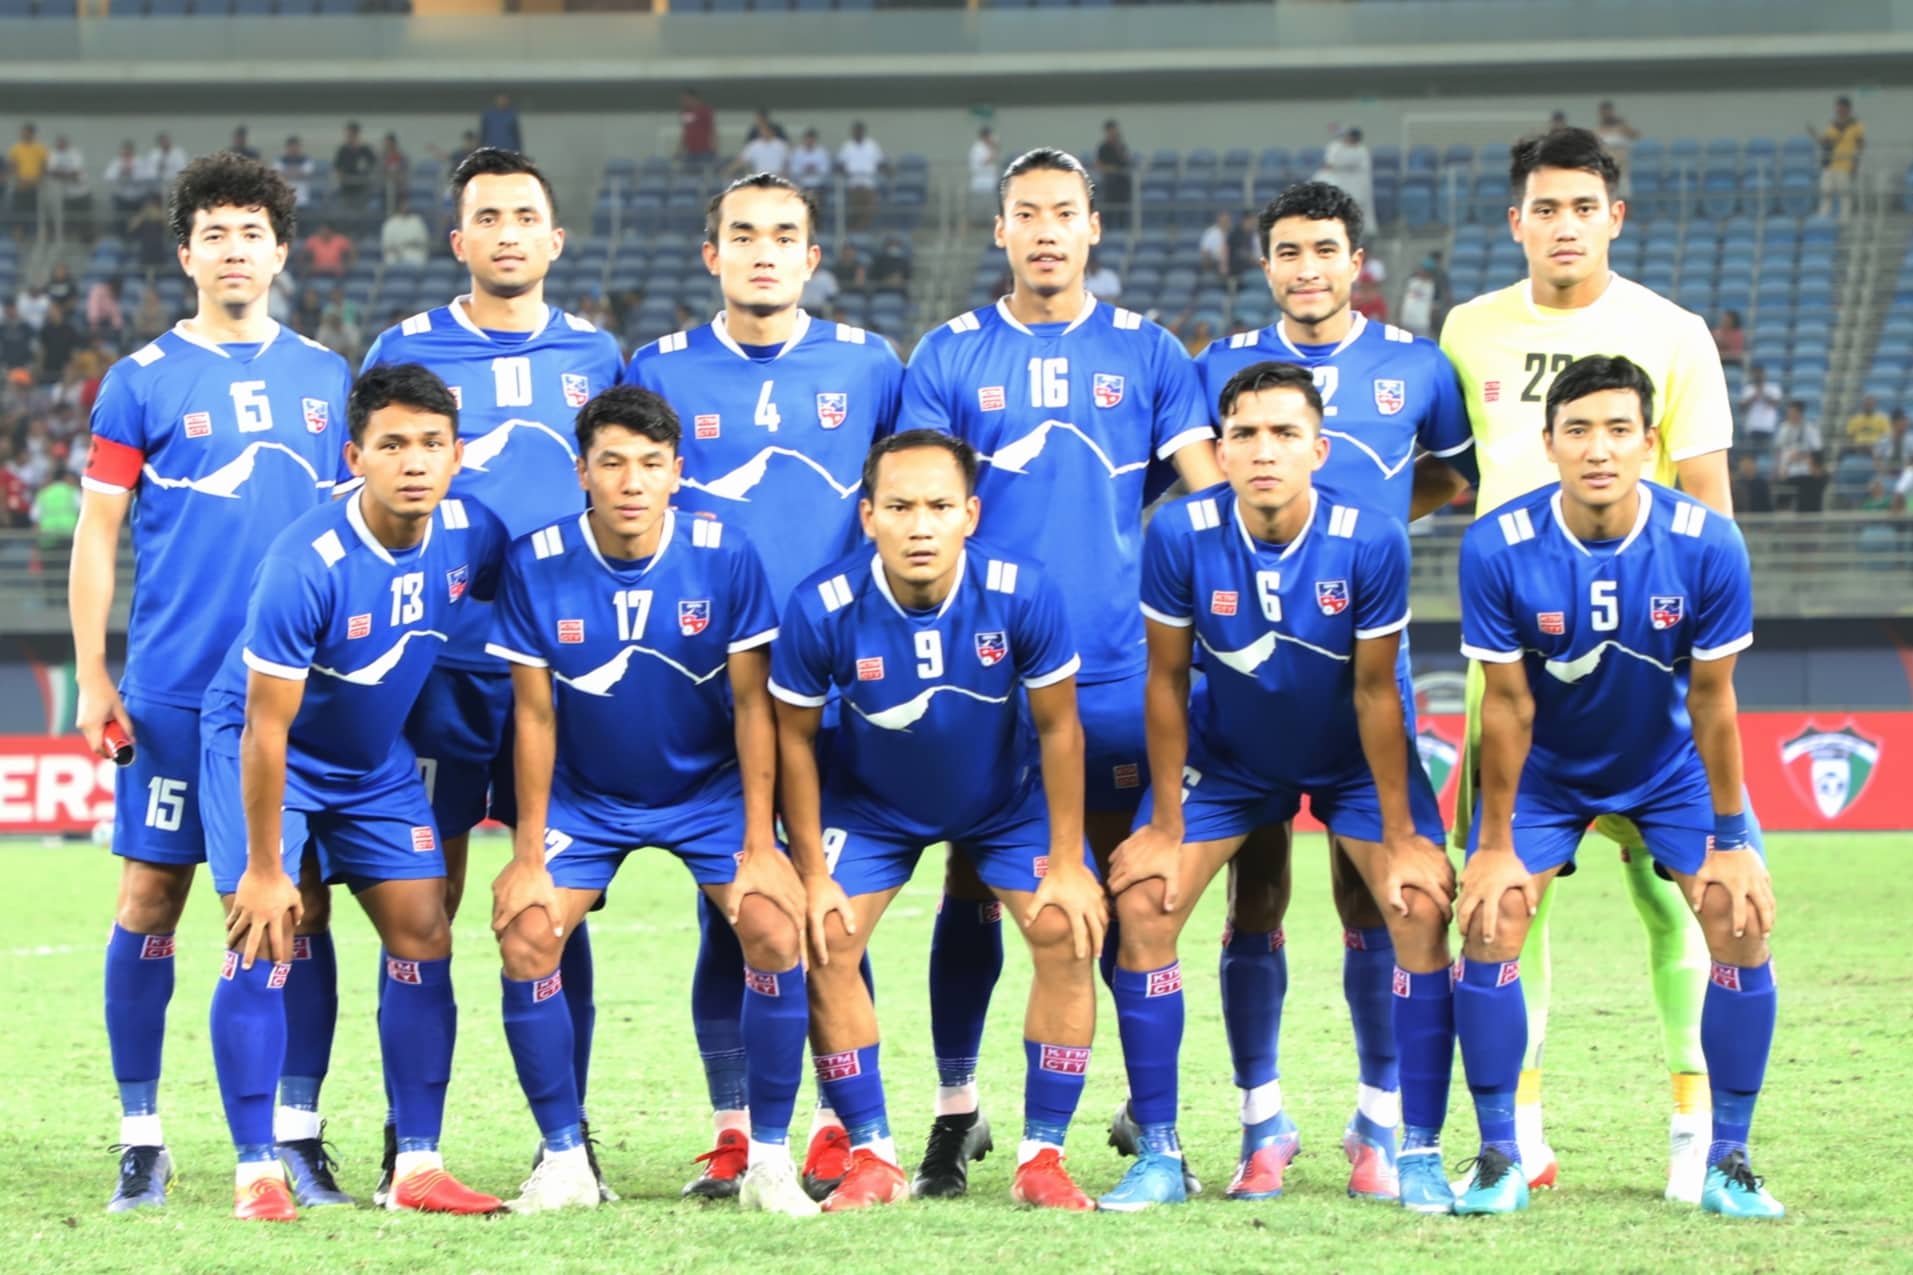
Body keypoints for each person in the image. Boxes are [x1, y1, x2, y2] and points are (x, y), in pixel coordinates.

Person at [900, 147, 1221, 1198]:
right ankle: (957, 1110)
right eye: (1026, 213)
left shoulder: (1149, 351)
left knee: (1128, 892)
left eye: (1063, 212)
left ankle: (1147, 1113)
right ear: (1000, 231)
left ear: (1093, 227)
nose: (1045, 230)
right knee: (972, 882)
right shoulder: (949, 354)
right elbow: (916, 505)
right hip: (983, 680)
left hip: (1116, 674)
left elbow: (1208, 500)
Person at [1438, 127, 1743, 1203]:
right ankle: (1517, 1135)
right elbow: (1449, 472)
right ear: (1514, 221)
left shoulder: (1671, 333)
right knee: (1507, 901)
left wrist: (1702, 653)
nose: (1562, 225)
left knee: (1676, 903)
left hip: (1646, 670)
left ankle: (1694, 1127)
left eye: (1582, 207)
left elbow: (1707, 502)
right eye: (1544, 208)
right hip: (1514, 668)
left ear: (1614, 217)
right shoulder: (1468, 329)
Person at [1096, 361, 1456, 1213]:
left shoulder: (1371, 537)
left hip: (1350, 756)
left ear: (1318, 449)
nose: (1264, 450)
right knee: (1145, 902)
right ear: (1219, 451)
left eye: (1285, 433)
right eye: (1244, 434)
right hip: (1230, 755)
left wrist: (1402, 834)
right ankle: (1202, 1139)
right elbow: (1165, 680)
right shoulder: (1178, 531)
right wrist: (1164, 823)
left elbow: (1376, 691)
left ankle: (1398, 1137)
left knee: (1414, 905)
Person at [69, 153, 351, 1214]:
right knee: (150, 898)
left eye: (252, 232)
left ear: (281, 252)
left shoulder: (327, 376)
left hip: (296, 696)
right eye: (215, 234)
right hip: (176, 692)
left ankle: (298, 1132)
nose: (235, 250)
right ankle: (142, 1137)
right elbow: (99, 532)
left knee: (296, 907)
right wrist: (94, 672)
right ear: (186, 255)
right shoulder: (139, 378)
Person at [1189, 180, 1474, 1203]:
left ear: (1357, 260)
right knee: (1254, 887)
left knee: (1373, 895)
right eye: (1286, 251)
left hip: (1362, 674)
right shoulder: (1217, 367)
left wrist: (1371, 529)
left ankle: (1376, 1119)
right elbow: (1193, 488)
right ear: (1262, 263)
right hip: (1242, 671)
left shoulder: (1416, 366)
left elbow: (1449, 479)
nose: (1305, 268)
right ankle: (1260, 1121)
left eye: (1323, 249)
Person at [621, 171, 902, 1201]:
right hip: (710, 687)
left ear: (812, 257)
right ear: (712, 256)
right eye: (742, 234)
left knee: (831, 905)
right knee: (731, 911)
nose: (763, 251)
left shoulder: (870, 365)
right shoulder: (658, 368)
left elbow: (906, 498)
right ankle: (735, 1127)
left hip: (837, 688)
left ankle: (837, 1125)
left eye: (784, 234)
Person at [1454, 353, 1781, 1219]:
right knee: (1490, 915)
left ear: (1649, 441)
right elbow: (1506, 706)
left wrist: (1731, 838)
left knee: (1738, 918)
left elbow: (1712, 700)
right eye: (1578, 430)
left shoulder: (1707, 542)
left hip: (1668, 767)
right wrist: (1493, 846)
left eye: (1616, 429)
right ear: (1548, 443)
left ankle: (1727, 1158)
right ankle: (1498, 1156)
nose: (1597, 449)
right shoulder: (1495, 544)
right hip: (1547, 770)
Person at [358, 146, 624, 1203]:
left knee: (556, 903)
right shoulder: (403, 345)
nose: (507, 233)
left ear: (554, 238)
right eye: (487, 217)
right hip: (434, 673)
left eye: (524, 216)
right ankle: (410, 1138)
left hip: (555, 677)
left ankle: (569, 1135)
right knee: (421, 907)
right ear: (457, 239)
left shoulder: (597, 352)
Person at [487, 385, 812, 1215]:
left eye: (649, 463)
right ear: (581, 472)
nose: (631, 481)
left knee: (774, 926)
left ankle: (769, 1160)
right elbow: (533, 714)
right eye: (612, 463)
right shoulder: (534, 560)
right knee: (527, 935)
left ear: (676, 471)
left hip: (707, 791)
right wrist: (526, 854)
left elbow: (754, 704)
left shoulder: (725, 553)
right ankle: (564, 1159)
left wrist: (760, 842)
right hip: (585, 797)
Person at [202, 363, 508, 1221]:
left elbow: (493, 606)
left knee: (424, 928)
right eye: (392, 444)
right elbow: (265, 729)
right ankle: (258, 1170)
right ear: (354, 457)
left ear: (457, 455)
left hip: (373, 760)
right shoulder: (306, 563)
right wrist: (266, 866)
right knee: (266, 929)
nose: (414, 462)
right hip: (269, 749)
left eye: (432, 444)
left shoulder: (473, 531)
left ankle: (417, 1165)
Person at [773, 429, 1106, 1213]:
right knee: (822, 936)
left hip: (1003, 802)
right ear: (867, 516)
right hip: (871, 805)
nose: (919, 526)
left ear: (969, 514)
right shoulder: (821, 604)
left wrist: (1067, 861)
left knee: (1065, 927)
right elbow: (791, 739)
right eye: (898, 508)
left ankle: (1043, 1158)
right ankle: (871, 1155)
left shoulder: (1022, 591)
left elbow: (1059, 727)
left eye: (938, 506)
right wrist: (812, 873)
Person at [1812, 95, 1864, 218]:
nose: (1838, 110)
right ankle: (1823, 218)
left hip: (1845, 165)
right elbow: (1826, 142)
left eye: (1841, 108)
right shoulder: (1832, 125)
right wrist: (1815, 135)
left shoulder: (1856, 126)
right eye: (1837, 108)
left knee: (1845, 196)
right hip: (1829, 164)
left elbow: (1860, 145)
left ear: (1848, 109)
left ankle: (1845, 219)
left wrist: (1856, 163)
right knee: (1826, 194)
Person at [1316, 127, 1374, 221]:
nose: (1349, 139)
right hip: (1339, 178)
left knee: (1353, 201)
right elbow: (1329, 163)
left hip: (1356, 181)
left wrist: (1337, 166)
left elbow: (1354, 165)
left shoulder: (1361, 150)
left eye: (1352, 138)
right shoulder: (1336, 146)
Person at [836, 121, 885, 232]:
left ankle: (862, 232)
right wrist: (843, 170)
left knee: (869, 210)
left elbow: (880, 162)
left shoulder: (872, 145)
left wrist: (888, 170)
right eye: (855, 131)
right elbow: (839, 164)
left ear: (863, 132)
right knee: (855, 211)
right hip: (853, 185)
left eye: (859, 130)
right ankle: (855, 232)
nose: (857, 133)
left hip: (869, 185)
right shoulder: (847, 146)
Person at [1773, 399, 1821, 507]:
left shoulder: (1810, 428)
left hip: (1804, 473)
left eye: (1793, 412)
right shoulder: (1784, 428)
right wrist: (1778, 468)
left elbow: (1817, 451)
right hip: (1786, 472)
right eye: (1789, 412)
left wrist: (1799, 456)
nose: (1791, 415)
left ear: (1800, 413)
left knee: (1805, 502)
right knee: (1782, 503)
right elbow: (1779, 450)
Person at [1595, 100, 1640, 195]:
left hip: (1622, 168)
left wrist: (1623, 126)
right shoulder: (1599, 130)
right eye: (1603, 112)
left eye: (1608, 111)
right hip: (1607, 169)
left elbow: (1636, 135)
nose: (1606, 114)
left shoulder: (1622, 126)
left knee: (1625, 193)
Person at [103, 140, 156, 217]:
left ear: (132, 152)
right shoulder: (116, 162)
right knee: (119, 216)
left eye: (128, 154)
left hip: (139, 197)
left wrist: (132, 172)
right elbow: (107, 177)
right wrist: (121, 172)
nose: (126, 156)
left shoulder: (140, 161)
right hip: (121, 197)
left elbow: (150, 176)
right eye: (124, 154)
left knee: (142, 215)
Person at [9, 123, 49, 223]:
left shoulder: (40, 148)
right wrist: (19, 180)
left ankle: (36, 232)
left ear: (32, 133)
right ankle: (18, 232)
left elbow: (44, 166)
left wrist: (38, 180)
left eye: (26, 132)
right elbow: (13, 166)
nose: (23, 134)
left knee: (36, 214)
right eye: (23, 132)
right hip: (20, 186)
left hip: (36, 186)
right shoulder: (16, 148)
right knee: (18, 214)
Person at [1738, 362, 1781, 451]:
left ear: (1764, 375)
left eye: (1760, 374)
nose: (1758, 376)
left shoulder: (1773, 388)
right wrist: (1754, 396)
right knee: (1750, 453)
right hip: (1752, 427)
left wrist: (1762, 393)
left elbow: (1775, 403)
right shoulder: (1748, 389)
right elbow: (1742, 407)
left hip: (1768, 426)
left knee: (1768, 452)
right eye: (1756, 374)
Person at [334, 122, 378, 208]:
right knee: (346, 210)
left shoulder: (365, 149)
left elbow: (373, 164)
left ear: (356, 134)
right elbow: (337, 167)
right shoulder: (343, 150)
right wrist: (340, 176)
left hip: (362, 186)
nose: (347, 136)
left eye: (349, 134)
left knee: (360, 209)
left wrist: (367, 175)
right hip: (347, 187)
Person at [1094, 120, 1132, 220]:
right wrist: (1110, 169)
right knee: (1110, 211)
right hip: (1110, 183)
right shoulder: (1103, 147)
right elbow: (1099, 165)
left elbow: (1126, 161)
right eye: (1111, 130)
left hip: (1123, 183)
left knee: (1123, 211)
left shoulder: (1121, 146)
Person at [381, 194, 430, 267]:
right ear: (398, 206)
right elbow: (386, 245)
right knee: (390, 260)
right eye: (402, 204)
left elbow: (424, 241)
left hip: (414, 253)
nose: (405, 206)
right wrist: (396, 250)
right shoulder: (390, 223)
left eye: (406, 204)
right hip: (395, 254)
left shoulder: (417, 221)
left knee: (418, 259)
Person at [968, 126, 1000, 222]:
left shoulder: (986, 147)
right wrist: (994, 147)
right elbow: (986, 161)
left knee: (991, 210)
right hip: (980, 184)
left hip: (989, 184)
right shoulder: (978, 148)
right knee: (975, 211)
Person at [679, 89, 717, 166]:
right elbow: (686, 132)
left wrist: (714, 148)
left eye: (685, 99)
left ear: (693, 98)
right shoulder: (685, 112)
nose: (683, 102)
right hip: (690, 152)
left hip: (704, 151)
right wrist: (680, 149)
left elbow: (712, 131)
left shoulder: (705, 111)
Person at [275, 136, 314, 208]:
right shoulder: (279, 161)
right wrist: (297, 172)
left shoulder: (306, 160)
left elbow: (307, 174)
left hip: (303, 198)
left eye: (296, 146)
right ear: (287, 147)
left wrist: (288, 172)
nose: (294, 149)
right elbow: (278, 175)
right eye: (291, 146)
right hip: (284, 198)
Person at [790, 128, 831, 194]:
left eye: (812, 139)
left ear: (815, 140)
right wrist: (804, 169)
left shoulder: (822, 152)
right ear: (804, 139)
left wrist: (815, 169)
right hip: (801, 184)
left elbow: (826, 169)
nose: (809, 142)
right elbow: (793, 169)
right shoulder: (797, 152)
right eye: (808, 139)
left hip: (818, 184)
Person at [1197, 211, 1234, 279]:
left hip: (1231, 262)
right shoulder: (1210, 233)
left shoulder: (1233, 233)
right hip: (1214, 262)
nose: (1225, 223)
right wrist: (1220, 262)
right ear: (1218, 220)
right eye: (1223, 220)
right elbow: (1204, 252)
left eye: (1227, 220)